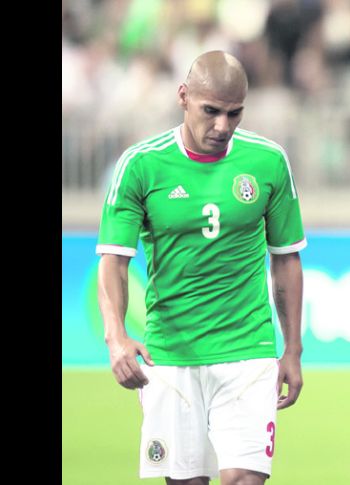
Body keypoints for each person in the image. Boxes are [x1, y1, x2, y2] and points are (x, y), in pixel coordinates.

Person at [96, 50, 306, 485]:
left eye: (234, 113)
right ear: (183, 97)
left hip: (248, 348)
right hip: (171, 353)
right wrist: (116, 336)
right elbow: (114, 260)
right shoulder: (141, 165)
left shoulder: (268, 161)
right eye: (211, 111)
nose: (223, 126)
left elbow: (286, 259)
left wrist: (293, 348)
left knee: (245, 479)